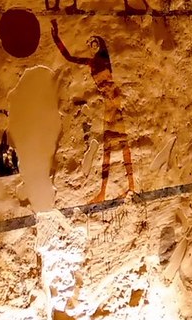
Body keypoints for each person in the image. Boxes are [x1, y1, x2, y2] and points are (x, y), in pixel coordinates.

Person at [51, 20, 134, 204]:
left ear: (100, 45)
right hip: (108, 103)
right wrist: (57, 39)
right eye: (90, 44)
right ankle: (105, 191)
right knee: (109, 147)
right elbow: (70, 57)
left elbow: (109, 83)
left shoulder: (104, 59)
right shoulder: (91, 63)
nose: (92, 46)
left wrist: (113, 100)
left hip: (113, 100)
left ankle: (129, 185)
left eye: (95, 43)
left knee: (120, 142)